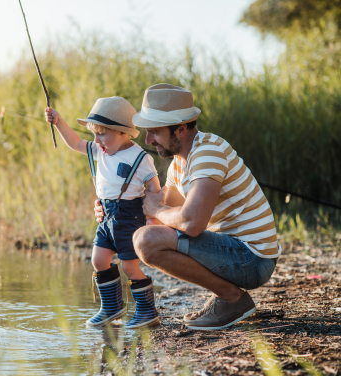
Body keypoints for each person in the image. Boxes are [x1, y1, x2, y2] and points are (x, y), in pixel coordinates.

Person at [94, 84, 280, 330]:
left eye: (155, 132)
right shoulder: (178, 165)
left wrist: (156, 210)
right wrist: (112, 210)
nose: (148, 140)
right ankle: (228, 297)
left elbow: (190, 223)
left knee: (145, 241)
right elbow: (163, 220)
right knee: (146, 238)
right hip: (234, 250)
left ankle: (232, 299)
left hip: (253, 259)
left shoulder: (208, 153)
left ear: (181, 129)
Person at [45, 96, 161, 328]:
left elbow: (155, 191)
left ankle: (148, 311)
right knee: (98, 259)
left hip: (130, 217)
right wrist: (58, 122)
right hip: (107, 217)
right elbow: (76, 142)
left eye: (101, 133)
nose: (96, 140)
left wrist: (153, 220)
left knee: (129, 266)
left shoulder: (140, 158)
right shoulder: (100, 151)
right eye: (94, 133)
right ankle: (112, 308)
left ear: (122, 132)